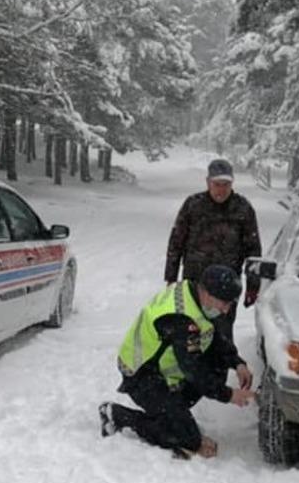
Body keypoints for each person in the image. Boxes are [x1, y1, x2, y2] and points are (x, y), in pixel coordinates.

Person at [99, 265, 257, 459]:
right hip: (141, 372)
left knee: (216, 368)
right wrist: (229, 395)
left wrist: (237, 363)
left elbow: (213, 336)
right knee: (188, 439)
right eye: (224, 303)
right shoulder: (180, 317)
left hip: (164, 371)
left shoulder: (196, 298)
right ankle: (117, 415)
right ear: (206, 293)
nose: (226, 310)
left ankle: (174, 414)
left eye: (230, 304)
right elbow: (194, 370)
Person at [164, 158, 262, 342]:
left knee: (221, 338)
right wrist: (171, 278)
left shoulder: (243, 208)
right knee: (190, 335)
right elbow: (176, 243)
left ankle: (219, 370)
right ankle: (192, 370)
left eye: (226, 184)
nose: (221, 189)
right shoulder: (193, 205)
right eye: (217, 184)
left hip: (227, 287)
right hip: (194, 284)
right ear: (208, 182)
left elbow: (253, 250)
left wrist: (253, 286)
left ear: (232, 183)